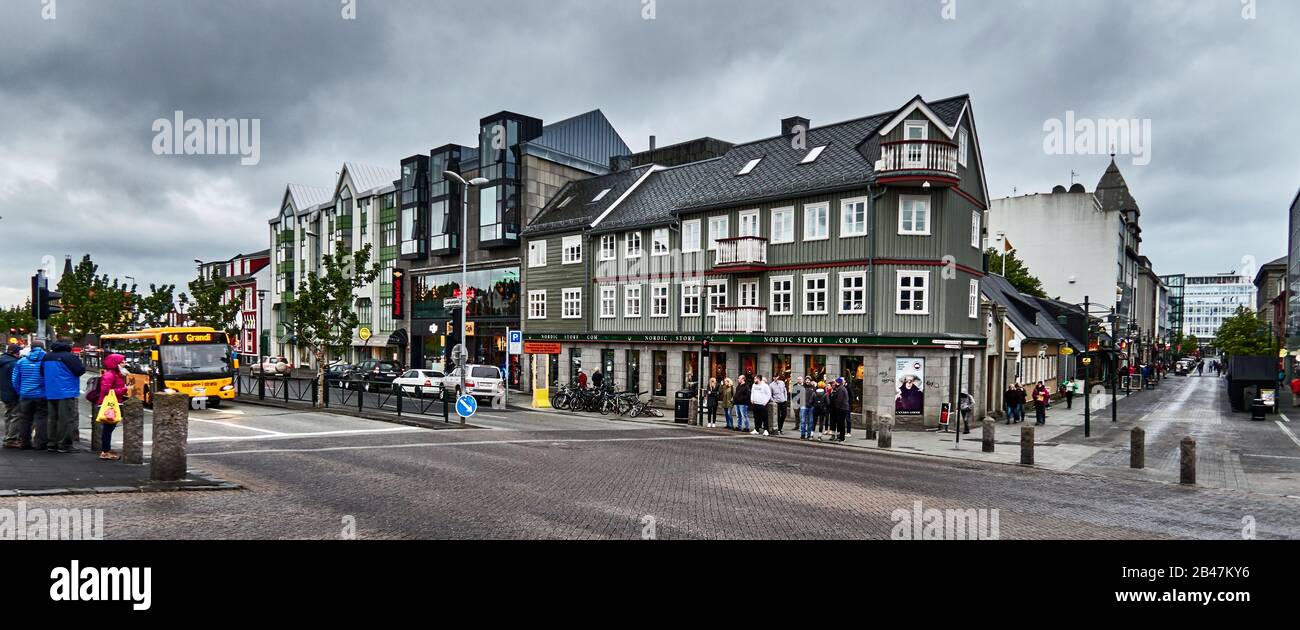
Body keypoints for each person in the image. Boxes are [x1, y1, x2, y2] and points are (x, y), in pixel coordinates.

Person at [43, 339, 86, 453]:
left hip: (51, 391)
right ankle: (64, 444)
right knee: (66, 419)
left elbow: (42, 372)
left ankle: (51, 443)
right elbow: (80, 370)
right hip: (66, 391)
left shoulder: (47, 356)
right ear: (68, 346)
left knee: (52, 419)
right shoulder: (69, 357)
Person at [10, 340, 48, 450]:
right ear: (43, 348)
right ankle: (40, 443)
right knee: (41, 419)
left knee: (25, 419)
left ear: (31, 347)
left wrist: (20, 391)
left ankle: (25, 442)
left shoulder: (21, 361)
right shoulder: (46, 361)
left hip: (25, 394)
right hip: (42, 394)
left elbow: (15, 379)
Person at [92, 353, 128, 460]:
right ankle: (105, 451)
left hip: (113, 403)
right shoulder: (110, 375)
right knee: (108, 428)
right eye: (122, 362)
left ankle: (106, 449)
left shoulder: (116, 374)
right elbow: (106, 390)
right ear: (115, 363)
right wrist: (124, 389)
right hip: (109, 405)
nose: (124, 363)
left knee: (109, 428)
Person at [0, 344, 20, 448]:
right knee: (16, 416)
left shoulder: (1, 360)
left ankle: (7, 435)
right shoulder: (14, 363)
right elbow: (16, 380)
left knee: (8, 415)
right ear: (16, 353)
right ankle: (11, 439)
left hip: (3, 393)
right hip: (13, 393)